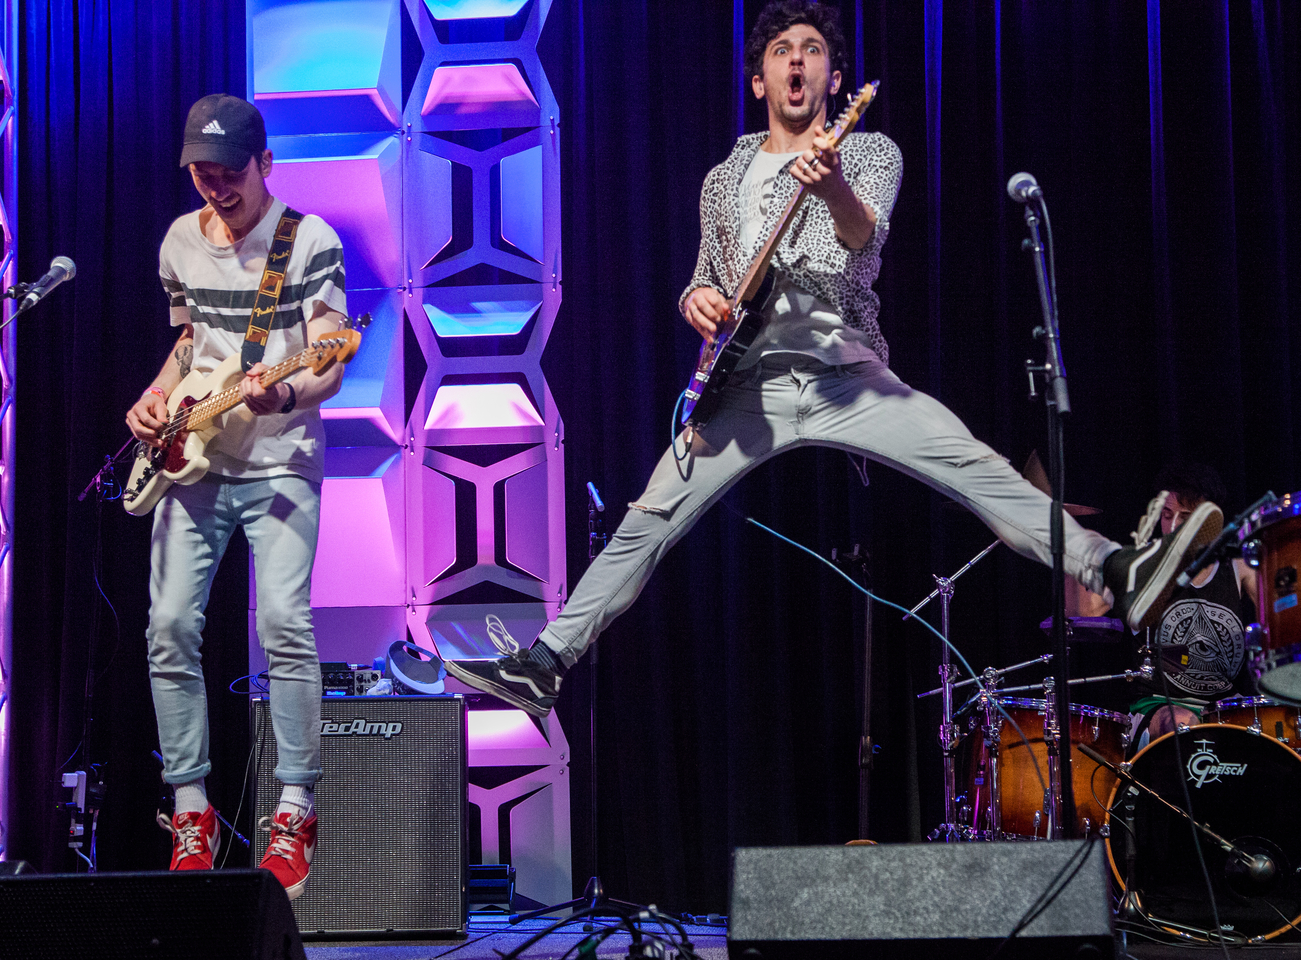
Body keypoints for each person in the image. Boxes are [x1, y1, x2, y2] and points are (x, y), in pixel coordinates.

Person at [445, 0, 1221, 719]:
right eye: (782, 51)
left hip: (848, 376)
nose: (797, 62)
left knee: (978, 469)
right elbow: (705, 276)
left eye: (812, 51)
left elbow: (862, 240)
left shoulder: (866, 149)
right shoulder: (725, 179)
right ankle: (548, 661)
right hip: (744, 388)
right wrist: (696, 301)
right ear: (759, 80)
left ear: (834, 79)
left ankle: (1114, 568)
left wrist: (836, 183)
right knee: (647, 519)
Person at [124, 93, 347, 898]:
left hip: (281, 458)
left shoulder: (310, 241)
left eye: (230, 176)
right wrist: (156, 398)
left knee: (283, 622)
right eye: (202, 175)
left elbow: (330, 355)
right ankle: (192, 809)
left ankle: (293, 807)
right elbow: (189, 345)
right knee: (170, 625)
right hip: (196, 459)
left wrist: (283, 397)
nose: (216, 190)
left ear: (266, 165)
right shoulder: (179, 241)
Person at [1125, 463, 1259, 741]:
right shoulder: (1141, 567)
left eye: (1185, 517)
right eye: (1166, 515)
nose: (1173, 527)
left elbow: (1281, 618)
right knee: (1184, 722)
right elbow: (1084, 609)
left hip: (1225, 706)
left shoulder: (1238, 566)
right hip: (1160, 705)